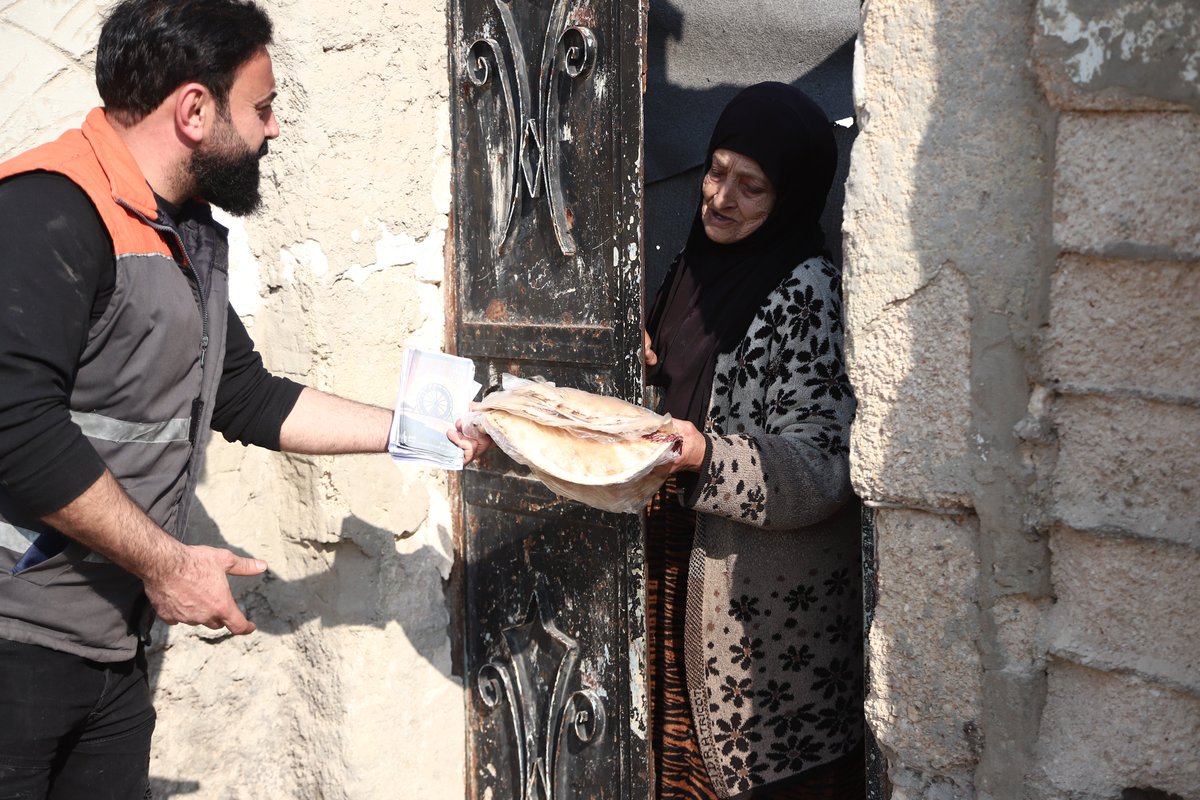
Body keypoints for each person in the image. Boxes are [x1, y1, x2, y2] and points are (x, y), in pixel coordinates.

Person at [0, 1, 484, 797]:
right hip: (17, 645)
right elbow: (17, 428)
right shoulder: (48, 209)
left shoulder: (177, 232)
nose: (273, 130)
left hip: (110, 651)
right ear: (194, 109)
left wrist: (425, 431)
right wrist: (168, 564)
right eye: (261, 108)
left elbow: (248, 397)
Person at [642, 82, 864, 798]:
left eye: (750, 185)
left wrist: (707, 457)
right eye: (715, 171)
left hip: (755, 618)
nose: (719, 197)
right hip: (678, 578)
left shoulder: (808, 292)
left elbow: (825, 465)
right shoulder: (693, 269)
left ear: (791, 195)